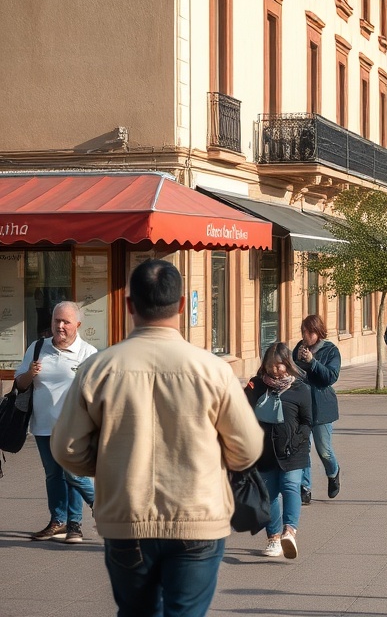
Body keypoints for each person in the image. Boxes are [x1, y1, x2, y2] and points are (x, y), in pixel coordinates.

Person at [51, 259, 263, 616]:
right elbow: (248, 448)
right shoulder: (212, 369)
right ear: (181, 305)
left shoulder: (98, 368)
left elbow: (65, 448)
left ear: (130, 306)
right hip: (198, 517)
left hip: (127, 517)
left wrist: (109, 463)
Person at [14, 302, 98, 543]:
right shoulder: (37, 347)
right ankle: (60, 522)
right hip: (42, 426)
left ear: (78, 325)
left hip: (75, 427)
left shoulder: (88, 353)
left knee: (73, 475)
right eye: (56, 321)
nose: (60, 326)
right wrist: (30, 373)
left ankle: (89, 515)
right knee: (53, 475)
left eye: (66, 322)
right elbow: (20, 385)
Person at [246, 343, 312, 559]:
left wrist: (298, 440)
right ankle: (273, 538)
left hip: (293, 450)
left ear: (288, 364)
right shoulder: (255, 386)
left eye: (280, 365)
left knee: (291, 486)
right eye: (271, 366)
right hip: (264, 451)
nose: (275, 370)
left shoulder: (300, 388)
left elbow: (307, 421)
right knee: (269, 494)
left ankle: (289, 532)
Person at [292, 314, 341, 505]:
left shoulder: (331, 350)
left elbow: (330, 377)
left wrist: (312, 362)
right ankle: (305, 488)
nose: (305, 336)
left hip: (321, 407)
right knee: (303, 449)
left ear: (318, 332)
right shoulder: (299, 348)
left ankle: (333, 473)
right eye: (303, 332)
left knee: (325, 451)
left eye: (309, 332)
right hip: (301, 407)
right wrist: (294, 363)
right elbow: (292, 371)